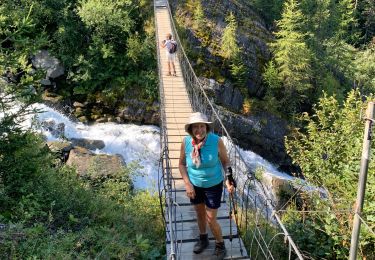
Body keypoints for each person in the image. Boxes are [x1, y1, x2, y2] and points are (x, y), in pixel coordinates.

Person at [179, 112, 236, 260]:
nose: (199, 130)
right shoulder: (185, 142)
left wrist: (229, 179)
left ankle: (220, 244)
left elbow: (225, 161)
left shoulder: (217, 141)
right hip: (194, 185)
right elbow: (181, 164)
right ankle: (203, 238)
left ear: (207, 127)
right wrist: (187, 184)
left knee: (211, 219)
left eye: (202, 126)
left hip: (213, 185)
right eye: (195, 127)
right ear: (190, 130)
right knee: (199, 214)